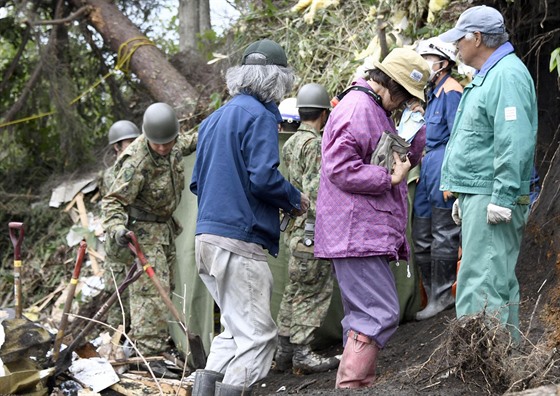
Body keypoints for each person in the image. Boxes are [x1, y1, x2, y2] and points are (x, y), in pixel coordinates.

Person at [189, 39, 310, 396]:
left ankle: (204, 389)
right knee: (259, 337)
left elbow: (197, 182)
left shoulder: (212, 120)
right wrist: (293, 199)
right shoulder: (259, 117)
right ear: (277, 81)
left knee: (232, 330)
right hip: (239, 241)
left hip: (206, 237)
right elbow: (263, 177)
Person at [314, 48, 430, 388]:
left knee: (364, 316)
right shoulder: (358, 108)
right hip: (355, 232)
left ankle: (355, 385)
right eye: (406, 95)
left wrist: (415, 120)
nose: (405, 102)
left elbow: (405, 156)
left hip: (364, 231)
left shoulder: (375, 109)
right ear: (389, 84)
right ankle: (352, 387)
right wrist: (388, 179)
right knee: (377, 313)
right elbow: (338, 167)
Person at [438, 5, 538, 338]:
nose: (456, 47)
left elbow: (513, 141)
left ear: (477, 38)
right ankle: (505, 363)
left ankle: (479, 367)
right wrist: (464, 193)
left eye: (459, 39)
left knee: (480, 282)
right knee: (495, 280)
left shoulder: (506, 75)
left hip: (491, 194)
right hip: (480, 192)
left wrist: (502, 196)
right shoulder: (492, 74)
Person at [101, 102, 197, 372]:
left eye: (168, 142)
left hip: (164, 230)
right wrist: (117, 228)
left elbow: (192, 140)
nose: (164, 148)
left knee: (166, 287)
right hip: (142, 233)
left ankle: (155, 347)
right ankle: (147, 358)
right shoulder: (136, 161)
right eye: (158, 144)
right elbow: (113, 202)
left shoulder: (174, 142)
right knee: (150, 295)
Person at [274, 83, 339, 374]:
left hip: (294, 230)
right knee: (313, 291)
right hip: (311, 231)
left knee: (295, 290)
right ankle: (302, 353)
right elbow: (314, 195)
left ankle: (283, 352)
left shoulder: (290, 143)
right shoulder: (314, 144)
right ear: (324, 114)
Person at [412, 37, 463, 321]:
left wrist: (452, 177)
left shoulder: (452, 91)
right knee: (421, 231)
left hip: (443, 163)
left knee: (443, 229)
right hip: (427, 163)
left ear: (442, 63)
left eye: (428, 58)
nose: (424, 64)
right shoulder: (432, 94)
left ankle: (442, 295)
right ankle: (431, 292)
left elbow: (459, 136)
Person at [100, 120, 141, 330]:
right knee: (116, 291)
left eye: (136, 141)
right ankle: (115, 338)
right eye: (128, 143)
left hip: (136, 238)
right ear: (117, 147)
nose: (134, 145)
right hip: (118, 241)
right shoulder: (112, 174)